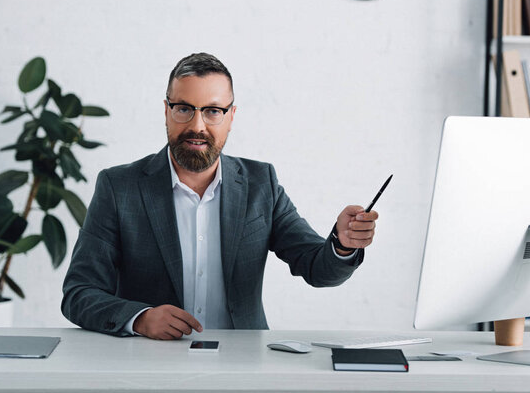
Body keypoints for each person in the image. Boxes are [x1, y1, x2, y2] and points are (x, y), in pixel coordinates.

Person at [61, 53, 378, 340]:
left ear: (231, 115)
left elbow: (316, 266)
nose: (197, 125)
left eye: (212, 111)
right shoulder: (119, 187)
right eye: (184, 109)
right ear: (167, 111)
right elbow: (79, 293)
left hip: (243, 369)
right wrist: (140, 318)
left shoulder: (260, 184)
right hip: (149, 366)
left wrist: (342, 244)